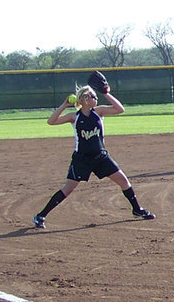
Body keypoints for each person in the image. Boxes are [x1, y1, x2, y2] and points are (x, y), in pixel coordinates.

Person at [30, 84, 155, 229]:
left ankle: (137, 209)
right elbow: (51, 121)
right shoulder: (74, 117)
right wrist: (64, 105)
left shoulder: (99, 111)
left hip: (101, 157)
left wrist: (106, 93)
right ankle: (41, 215)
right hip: (82, 159)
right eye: (93, 96)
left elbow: (120, 109)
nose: (96, 98)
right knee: (67, 189)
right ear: (84, 99)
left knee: (123, 181)